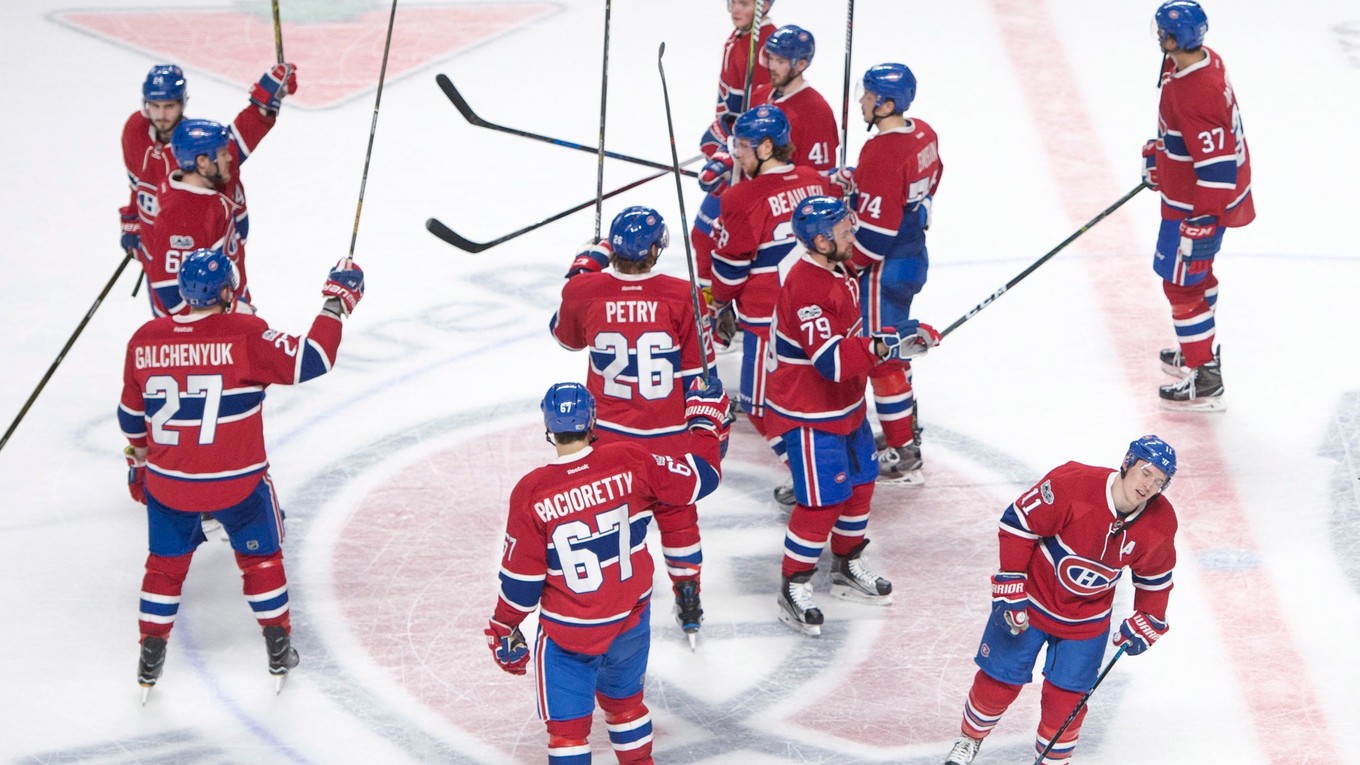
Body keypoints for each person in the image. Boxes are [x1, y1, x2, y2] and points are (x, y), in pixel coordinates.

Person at [118, 249, 365, 698]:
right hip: (238, 483)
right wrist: (336, 301)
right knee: (261, 557)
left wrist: (137, 464)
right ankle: (277, 646)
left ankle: (149, 656)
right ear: (227, 290)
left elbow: (131, 418)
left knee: (164, 568)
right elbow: (313, 359)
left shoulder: (145, 337)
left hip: (170, 486)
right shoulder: (245, 333)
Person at [483, 380, 729, 764]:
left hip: (570, 636)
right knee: (626, 708)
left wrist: (505, 626)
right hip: (629, 622)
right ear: (592, 420)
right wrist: (705, 423)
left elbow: (522, 583)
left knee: (568, 736)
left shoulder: (532, 492)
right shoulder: (630, 460)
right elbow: (700, 478)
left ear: (549, 428)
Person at [941, 436, 1179, 765]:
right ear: (1127, 463)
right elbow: (1018, 523)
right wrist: (1011, 579)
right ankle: (969, 740)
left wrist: (1150, 617)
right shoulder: (1074, 484)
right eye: (1146, 472)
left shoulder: (1160, 522)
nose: (1150, 485)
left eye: (1160, 481)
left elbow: (1155, 577)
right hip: (1033, 603)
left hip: (1087, 620)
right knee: (998, 682)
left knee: (1068, 700)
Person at [763, 195, 939, 636]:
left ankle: (846, 563)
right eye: (843, 232)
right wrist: (886, 347)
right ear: (821, 241)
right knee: (822, 503)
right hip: (809, 414)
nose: (852, 235)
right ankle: (794, 583)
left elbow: (855, 340)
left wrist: (902, 335)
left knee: (861, 487)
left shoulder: (838, 269)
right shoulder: (807, 287)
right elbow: (834, 361)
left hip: (844, 406)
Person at [551, 206, 716, 644]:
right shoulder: (684, 295)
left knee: (612, 521)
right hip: (669, 436)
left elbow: (565, 336)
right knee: (680, 517)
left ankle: (611, 601)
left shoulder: (585, 290)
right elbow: (700, 374)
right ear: (656, 249)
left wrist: (581, 268)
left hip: (608, 440)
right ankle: (688, 594)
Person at [833, 62, 943, 486]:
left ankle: (902, 448)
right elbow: (925, 183)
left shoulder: (880, 151)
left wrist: (845, 265)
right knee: (895, 343)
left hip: (884, 265)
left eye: (868, 95)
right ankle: (905, 429)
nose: (861, 100)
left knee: (881, 355)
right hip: (912, 255)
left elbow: (874, 235)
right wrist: (860, 183)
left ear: (887, 103)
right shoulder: (924, 132)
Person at [1143, 0, 1253, 411]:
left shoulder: (1197, 91)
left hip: (1196, 203)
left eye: (1162, 32)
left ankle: (1204, 375)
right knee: (1194, 277)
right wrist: (1159, 152)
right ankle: (1195, 349)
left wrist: (1204, 220)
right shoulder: (1197, 63)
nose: (1157, 37)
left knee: (1180, 284)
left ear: (1174, 38)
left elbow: (1218, 166)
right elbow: (1181, 130)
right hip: (1189, 193)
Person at [120, 62, 298, 313]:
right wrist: (131, 221)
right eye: (154, 106)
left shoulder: (194, 153)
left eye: (169, 106)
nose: (161, 115)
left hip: (203, 269)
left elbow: (234, 144)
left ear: (182, 103)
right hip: (156, 256)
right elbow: (138, 186)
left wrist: (263, 102)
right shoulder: (135, 131)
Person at [710, 105, 828, 465]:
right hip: (817, 311)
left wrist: (719, 302)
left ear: (765, 148)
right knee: (816, 396)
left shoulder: (741, 198)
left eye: (743, 146)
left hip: (769, 320)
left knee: (759, 404)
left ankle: (809, 471)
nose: (737, 154)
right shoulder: (814, 181)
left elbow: (730, 273)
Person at [690, 0, 777, 349]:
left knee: (710, 236)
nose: (733, 8)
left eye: (743, 2)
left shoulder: (766, 47)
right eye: (732, 1)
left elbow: (763, 118)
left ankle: (722, 310)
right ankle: (717, 310)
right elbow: (729, 112)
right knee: (703, 237)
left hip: (749, 161)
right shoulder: (740, 38)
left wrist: (730, 156)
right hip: (734, 149)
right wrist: (717, 140)